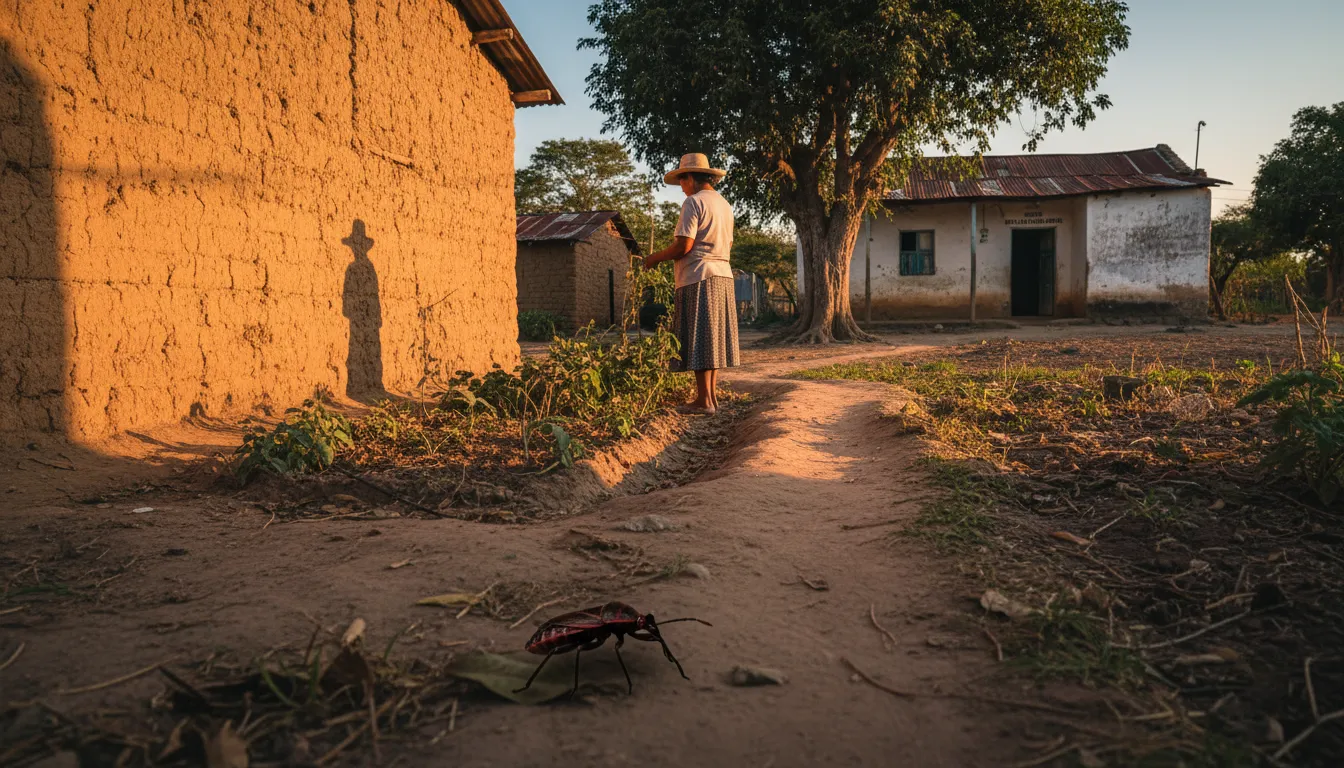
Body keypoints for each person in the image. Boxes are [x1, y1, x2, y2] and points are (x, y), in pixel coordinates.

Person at [643, 153, 739, 415]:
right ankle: (711, 398)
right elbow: (728, 244)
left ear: (691, 178)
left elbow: (683, 245)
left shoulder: (693, 203)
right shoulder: (724, 205)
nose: (682, 188)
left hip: (698, 275)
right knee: (712, 339)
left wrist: (654, 258)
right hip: (723, 274)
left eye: (682, 181)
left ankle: (703, 401)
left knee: (699, 339)